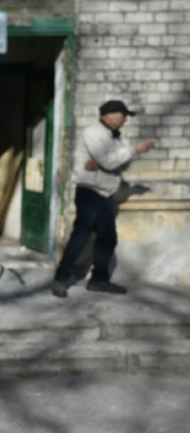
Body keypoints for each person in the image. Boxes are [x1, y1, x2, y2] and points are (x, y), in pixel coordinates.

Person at [51, 100, 156, 298]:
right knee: (81, 237)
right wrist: (130, 152)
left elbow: (121, 165)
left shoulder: (117, 138)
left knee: (108, 238)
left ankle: (99, 280)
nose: (125, 119)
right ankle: (61, 278)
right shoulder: (93, 133)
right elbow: (110, 161)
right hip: (90, 192)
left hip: (106, 193)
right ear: (110, 115)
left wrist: (105, 163)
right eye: (124, 115)